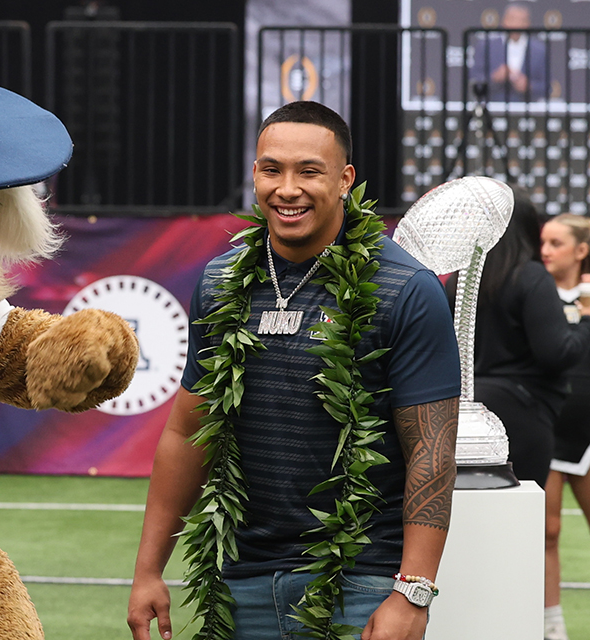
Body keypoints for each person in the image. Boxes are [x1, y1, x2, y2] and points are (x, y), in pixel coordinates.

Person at [127, 101, 461, 640]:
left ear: (345, 179)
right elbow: (188, 431)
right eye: (271, 169)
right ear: (254, 173)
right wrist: (147, 570)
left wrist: (412, 592)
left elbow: (432, 448)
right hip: (242, 583)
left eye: (309, 171)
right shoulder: (218, 283)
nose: (287, 189)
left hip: (361, 585)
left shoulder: (405, 288)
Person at [447, 193, 590, 489]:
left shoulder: (459, 279)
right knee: (521, 519)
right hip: (523, 413)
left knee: (469, 511)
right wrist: (586, 321)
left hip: (462, 414)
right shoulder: (531, 276)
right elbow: (556, 353)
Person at [540, 213, 590, 640]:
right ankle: (552, 627)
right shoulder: (535, 295)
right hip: (550, 430)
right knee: (548, 531)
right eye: (543, 242)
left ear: (581, 250)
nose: (546, 251)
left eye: (556, 243)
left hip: (588, 435)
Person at [470, 2, 548, 102]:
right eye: (512, 19)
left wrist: (529, 86)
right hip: (492, 106)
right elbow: (474, 79)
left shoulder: (539, 50)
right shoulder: (486, 46)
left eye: (522, 20)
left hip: (527, 109)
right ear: (503, 21)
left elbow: (547, 86)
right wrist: (494, 77)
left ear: (528, 24)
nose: (517, 24)